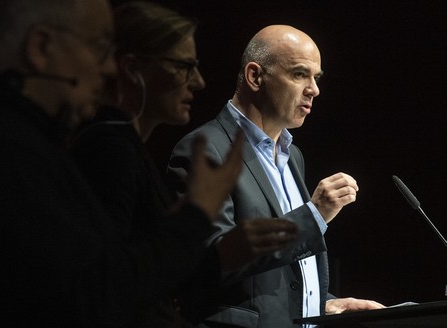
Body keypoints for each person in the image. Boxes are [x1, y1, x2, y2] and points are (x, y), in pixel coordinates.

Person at [0, 0, 256, 326]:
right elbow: (98, 295)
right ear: (40, 48)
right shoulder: (0, 147)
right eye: (99, 47)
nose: (108, 67)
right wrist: (194, 216)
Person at [70, 2, 299, 326]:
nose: (198, 82)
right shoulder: (109, 150)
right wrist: (204, 231)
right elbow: (109, 286)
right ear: (133, 68)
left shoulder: (126, 148)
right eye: (183, 66)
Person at [168, 25, 385, 328]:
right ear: (255, 77)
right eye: (299, 74)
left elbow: (269, 278)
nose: (314, 89)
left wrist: (323, 305)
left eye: (316, 78)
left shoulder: (292, 155)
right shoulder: (206, 150)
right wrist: (313, 215)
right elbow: (209, 262)